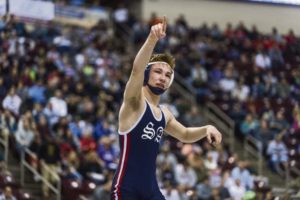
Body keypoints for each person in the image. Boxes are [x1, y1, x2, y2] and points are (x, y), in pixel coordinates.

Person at [111, 16, 222, 200]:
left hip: (151, 190)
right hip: (126, 189)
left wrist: (206, 128)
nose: (163, 77)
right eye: (158, 71)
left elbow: (185, 134)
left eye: (167, 74)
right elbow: (136, 70)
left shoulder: (165, 114)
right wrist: (152, 39)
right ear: (147, 74)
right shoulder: (134, 101)